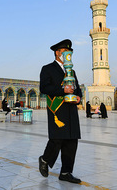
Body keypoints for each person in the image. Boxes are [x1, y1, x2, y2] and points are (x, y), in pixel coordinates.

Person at [38, 39, 82, 184]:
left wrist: (78, 97)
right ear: (57, 53)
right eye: (64, 52)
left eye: (69, 52)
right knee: (57, 139)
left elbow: (78, 89)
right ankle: (45, 159)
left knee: (71, 141)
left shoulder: (72, 71)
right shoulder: (48, 69)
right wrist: (62, 90)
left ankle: (66, 172)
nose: (67, 55)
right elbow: (44, 88)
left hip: (71, 110)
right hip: (58, 110)